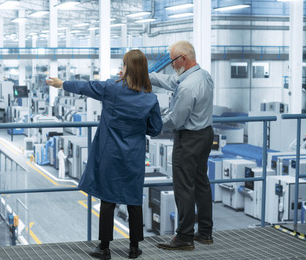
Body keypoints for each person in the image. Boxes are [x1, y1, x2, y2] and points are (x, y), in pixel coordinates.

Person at [46, 49, 163, 259]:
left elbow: (85, 87)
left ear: (127, 67)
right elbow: (155, 128)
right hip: (134, 155)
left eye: (124, 64)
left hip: (110, 154)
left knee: (108, 199)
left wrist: (62, 83)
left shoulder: (111, 88)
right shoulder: (150, 98)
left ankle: (104, 248)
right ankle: (134, 247)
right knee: (134, 199)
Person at [151, 41, 215, 251]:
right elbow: (172, 81)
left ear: (183, 59)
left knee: (184, 187)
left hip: (188, 139)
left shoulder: (187, 87)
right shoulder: (203, 75)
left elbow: (175, 120)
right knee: (201, 183)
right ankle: (205, 232)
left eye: (172, 60)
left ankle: (184, 237)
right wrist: (145, 75)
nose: (170, 65)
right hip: (205, 135)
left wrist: (151, 121)